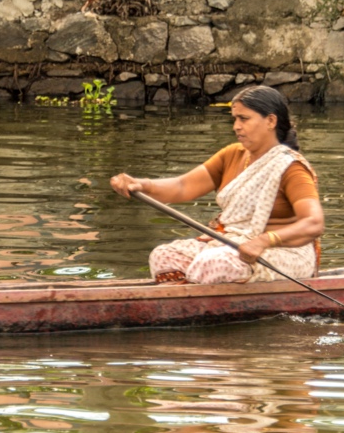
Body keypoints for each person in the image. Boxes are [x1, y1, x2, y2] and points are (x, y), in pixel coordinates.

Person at [109, 85, 323, 285]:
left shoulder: (291, 167)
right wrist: (140, 185)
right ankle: (188, 307)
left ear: (271, 121)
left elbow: (314, 223)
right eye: (235, 119)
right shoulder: (232, 154)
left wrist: (264, 241)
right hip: (231, 245)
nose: (236, 126)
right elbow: (183, 186)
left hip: (283, 254)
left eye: (244, 119)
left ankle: (196, 310)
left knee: (213, 262)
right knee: (164, 256)